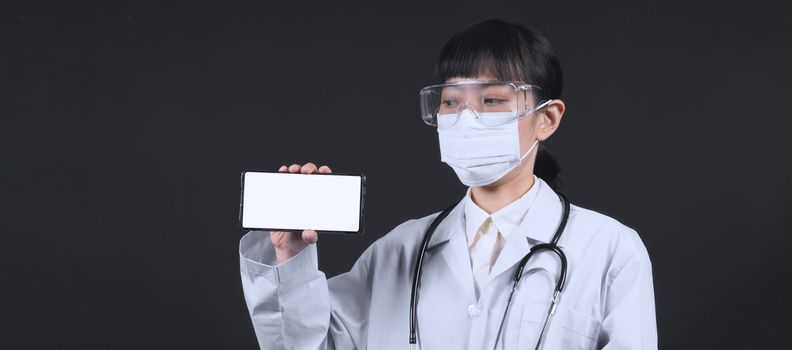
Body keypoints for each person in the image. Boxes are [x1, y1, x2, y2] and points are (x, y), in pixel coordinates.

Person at [239, 19, 657, 349]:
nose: (466, 118)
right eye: (451, 102)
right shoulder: (397, 253)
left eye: (492, 100)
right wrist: (289, 256)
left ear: (546, 118)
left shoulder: (610, 250)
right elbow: (307, 345)